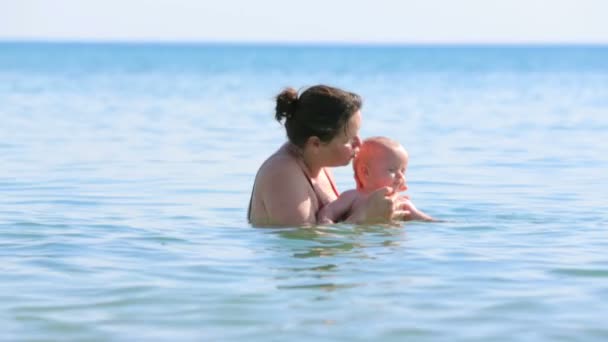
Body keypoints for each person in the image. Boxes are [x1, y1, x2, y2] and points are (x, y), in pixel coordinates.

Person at [248, 85, 411, 227]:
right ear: (315, 144)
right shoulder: (283, 174)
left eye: (358, 134)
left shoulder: (317, 163)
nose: (359, 144)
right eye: (348, 139)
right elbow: (304, 246)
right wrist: (364, 218)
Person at [317, 136, 434, 224]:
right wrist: (327, 226)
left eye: (403, 171)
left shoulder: (401, 202)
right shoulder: (354, 196)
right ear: (366, 172)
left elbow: (424, 220)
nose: (400, 176)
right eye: (392, 170)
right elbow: (328, 212)